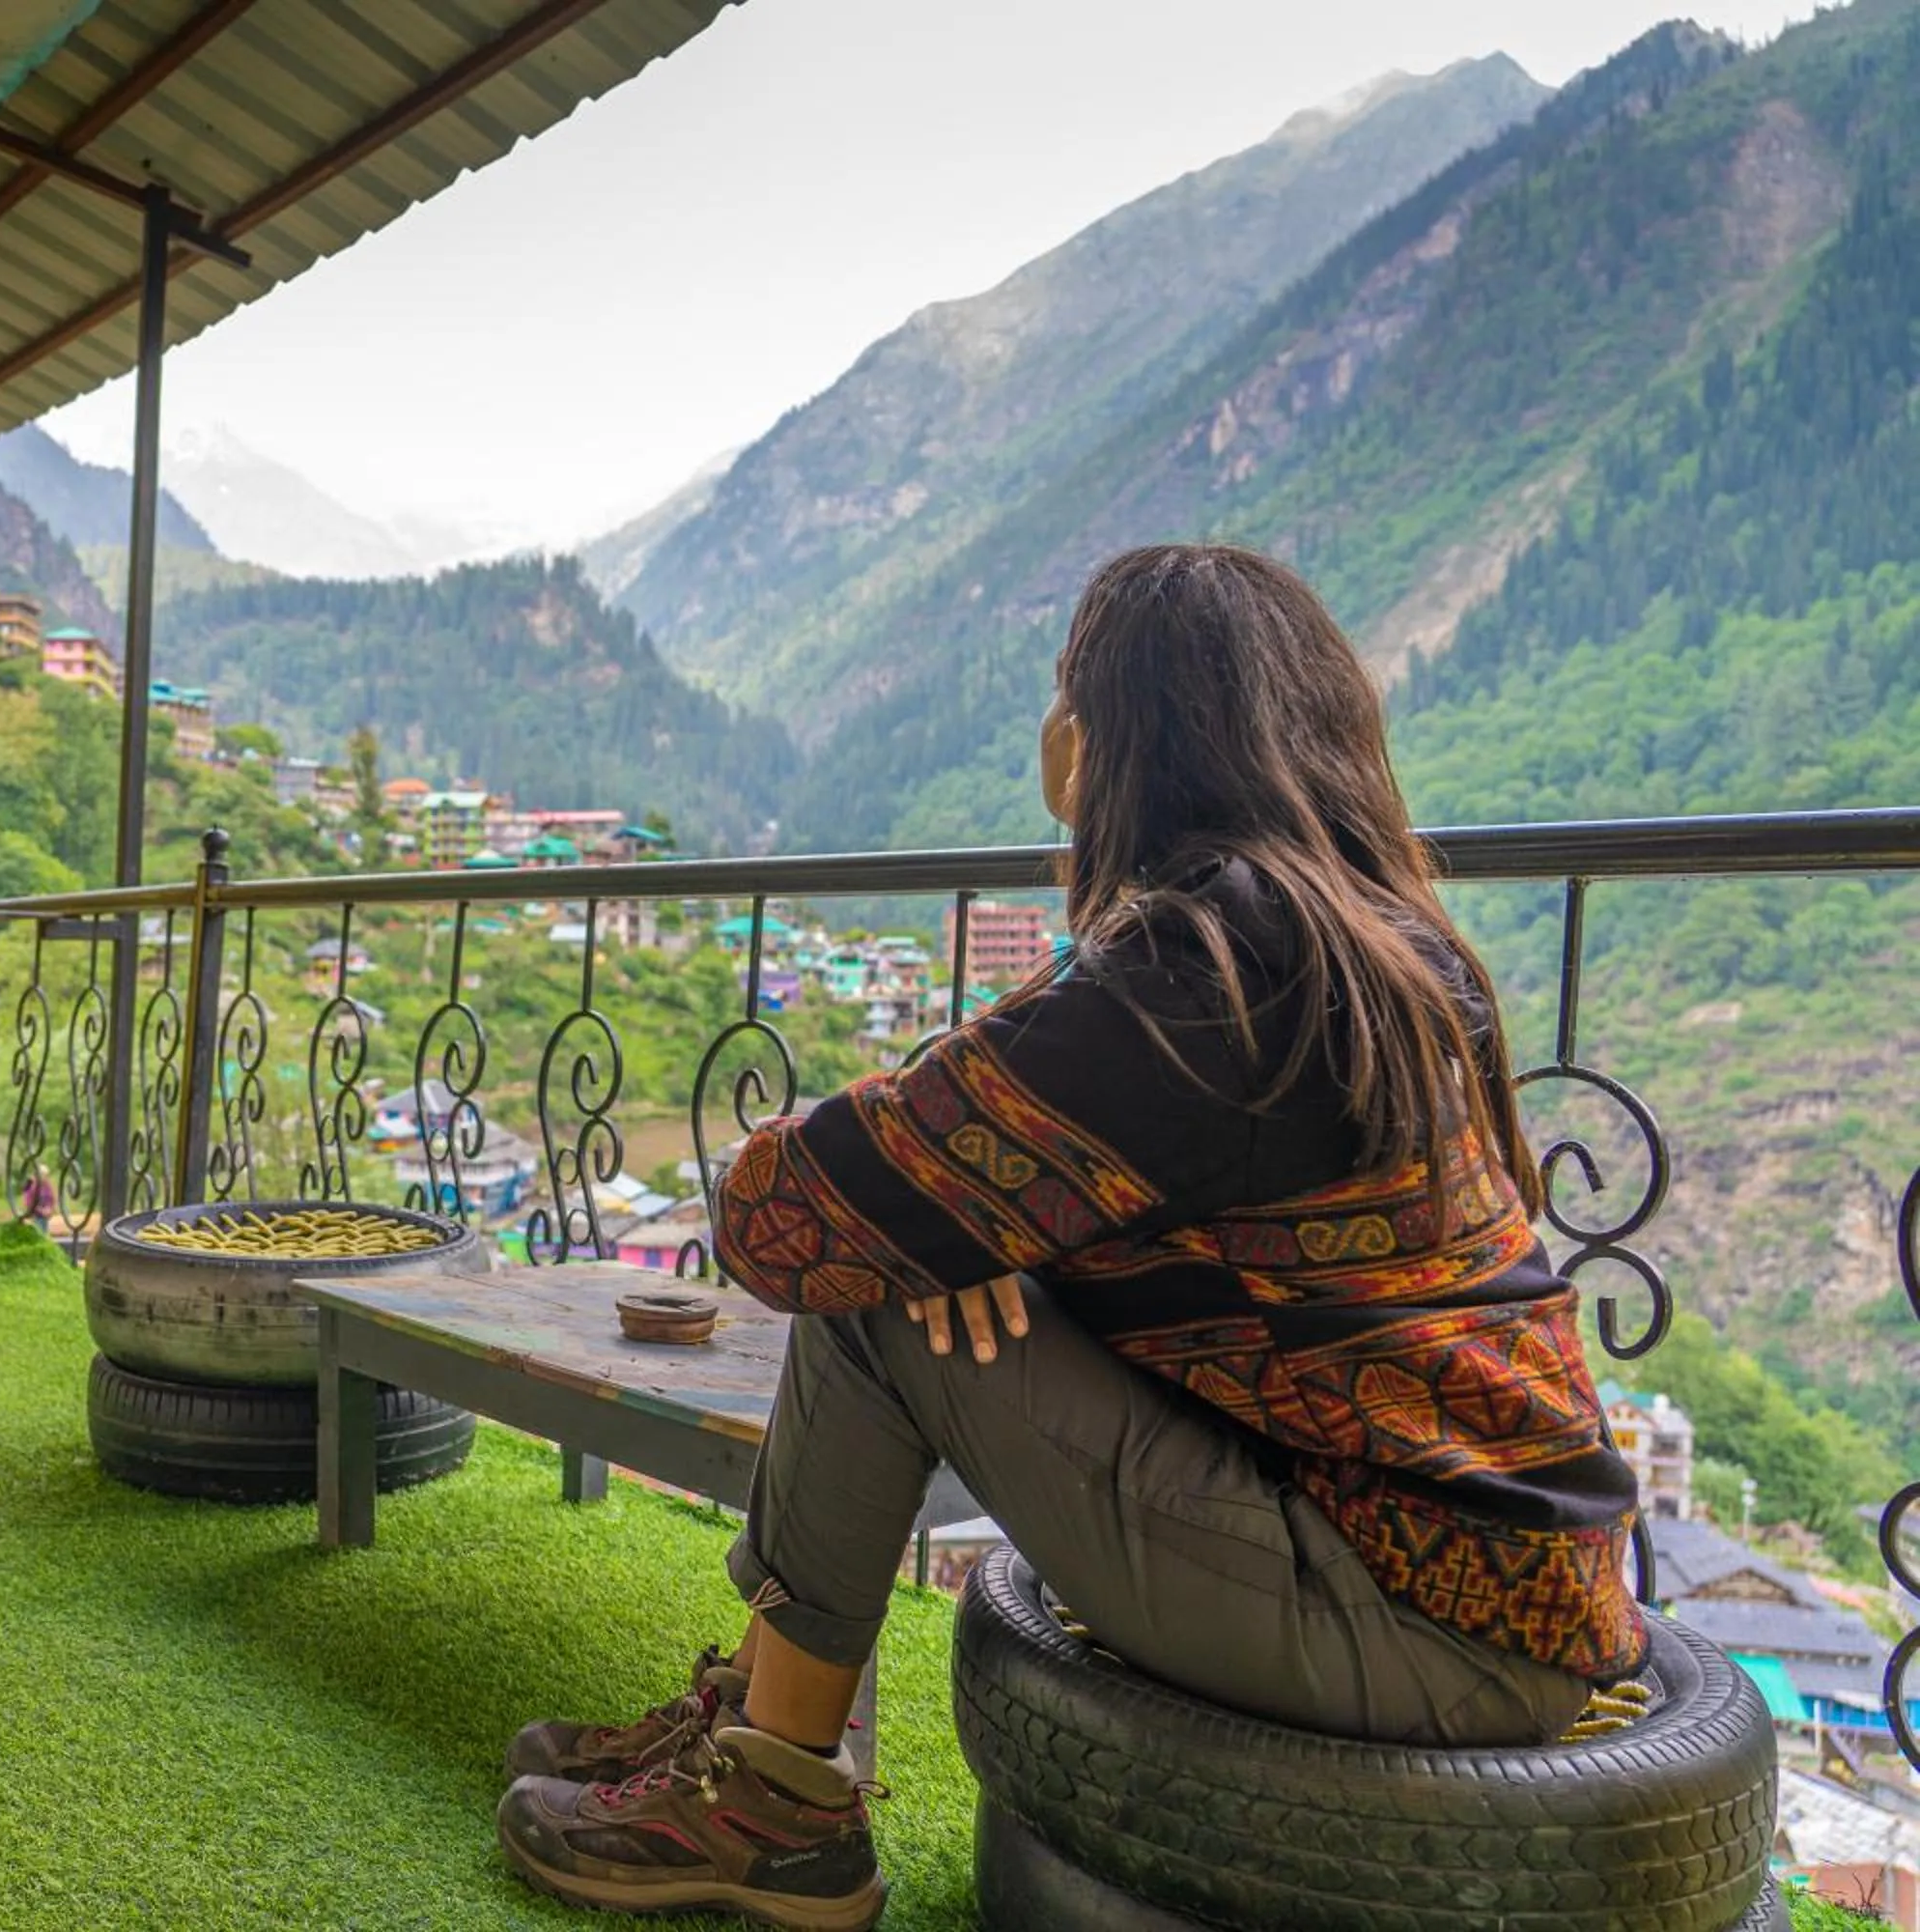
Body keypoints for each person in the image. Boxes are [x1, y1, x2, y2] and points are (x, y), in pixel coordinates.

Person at [495, 546, 1643, 1930]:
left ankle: (776, 1802)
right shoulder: (1374, 943)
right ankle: (755, 1724)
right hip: (1516, 1587)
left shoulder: (1205, 975)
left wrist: (965, 1233)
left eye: (1067, 701)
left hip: (1412, 1620)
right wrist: (995, 1232)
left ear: (1100, 744)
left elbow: (778, 1217)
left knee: (889, 1287)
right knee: (927, 1245)